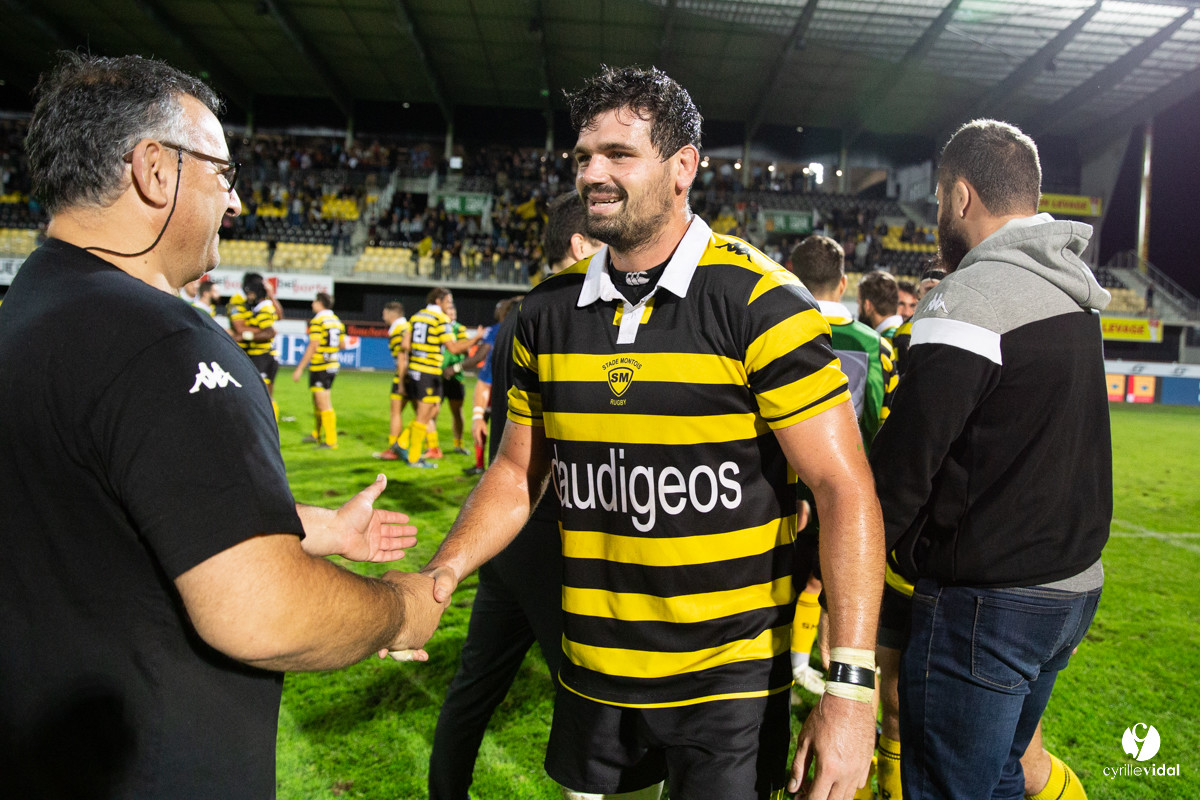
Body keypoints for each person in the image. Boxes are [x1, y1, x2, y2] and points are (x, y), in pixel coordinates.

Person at [417, 65, 883, 800]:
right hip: (594, 665)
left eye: (618, 155)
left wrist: (851, 689)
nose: (592, 174)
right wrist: (441, 573)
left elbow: (843, 488)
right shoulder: (545, 312)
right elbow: (515, 474)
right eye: (582, 157)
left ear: (682, 168)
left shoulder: (761, 303)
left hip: (726, 680)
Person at [0, 52, 445, 800]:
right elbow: (263, 612)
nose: (235, 203)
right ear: (155, 170)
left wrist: (304, 527)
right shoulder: (167, 343)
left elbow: (95, 518)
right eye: (223, 173)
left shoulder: (31, 310)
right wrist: (400, 610)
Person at [869, 119, 1111, 800]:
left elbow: (903, 468)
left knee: (951, 787)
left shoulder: (969, 297)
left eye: (943, 199)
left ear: (962, 197)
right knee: (1002, 773)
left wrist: (848, 570)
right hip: (1070, 592)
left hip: (991, 602)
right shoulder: (1075, 288)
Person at [428, 189, 602, 800]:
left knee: (474, 689)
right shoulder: (568, 313)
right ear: (581, 245)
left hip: (504, 532)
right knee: (589, 696)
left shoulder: (517, 317)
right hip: (550, 528)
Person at [786, 234, 897, 701]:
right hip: (852, 492)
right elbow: (879, 421)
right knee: (839, 590)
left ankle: (787, 673)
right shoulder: (874, 344)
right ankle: (838, 687)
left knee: (788, 586)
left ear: (791, 275)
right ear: (845, 283)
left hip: (789, 492)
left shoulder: (778, 331)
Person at [398, 287, 482, 469]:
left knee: (431, 411)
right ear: (439, 301)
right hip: (428, 371)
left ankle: (402, 443)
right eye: (448, 302)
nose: (450, 306)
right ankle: (413, 458)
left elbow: (405, 344)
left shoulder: (417, 316)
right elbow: (453, 348)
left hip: (418, 370)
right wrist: (477, 338)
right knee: (423, 415)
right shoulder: (440, 319)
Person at [292, 291, 346, 449]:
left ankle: (330, 440)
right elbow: (342, 345)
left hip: (320, 366)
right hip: (332, 365)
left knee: (323, 404)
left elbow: (313, 345)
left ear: (320, 303)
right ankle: (317, 434)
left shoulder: (318, 321)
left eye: (314, 302)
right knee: (317, 401)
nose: (312, 304)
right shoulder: (336, 321)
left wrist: (299, 368)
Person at [228, 271, 284, 420]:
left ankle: (268, 428)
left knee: (262, 395)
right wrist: (263, 331)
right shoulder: (238, 300)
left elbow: (276, 321)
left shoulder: (261, 305)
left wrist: (271, 295)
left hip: (261, 354)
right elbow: (241, 327)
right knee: (253, 394)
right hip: (248, 353)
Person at [376, 300, 413, 460]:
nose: (383, 316)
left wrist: (401, 379)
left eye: (384, 313)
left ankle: (393, 449)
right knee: (422, 413)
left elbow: (402, 356)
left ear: (392, 313)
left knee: (396, 411)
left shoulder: (399, 330)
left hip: (405, 374)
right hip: (417, 374)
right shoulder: (406, 327)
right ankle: (433, 447)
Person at [856, 269, 903, 341]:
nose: (858, 310)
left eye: (859, 303)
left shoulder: (880, 343)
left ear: (867, 305)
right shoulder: (906, 333)